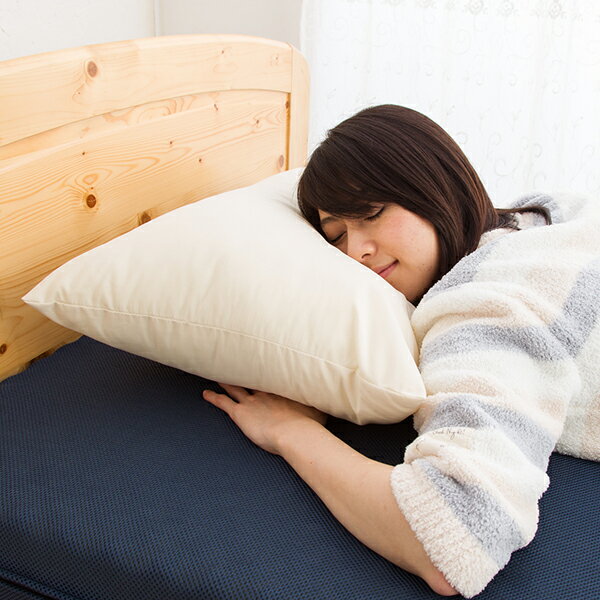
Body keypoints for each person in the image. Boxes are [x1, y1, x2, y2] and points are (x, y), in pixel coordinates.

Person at [202, 105, 600, 598]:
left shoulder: (486, 305)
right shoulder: (539, 215)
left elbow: (454, 535)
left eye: (371, 213)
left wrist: (290, 431)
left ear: (432, 185)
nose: (356, 252)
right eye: (336, 236)